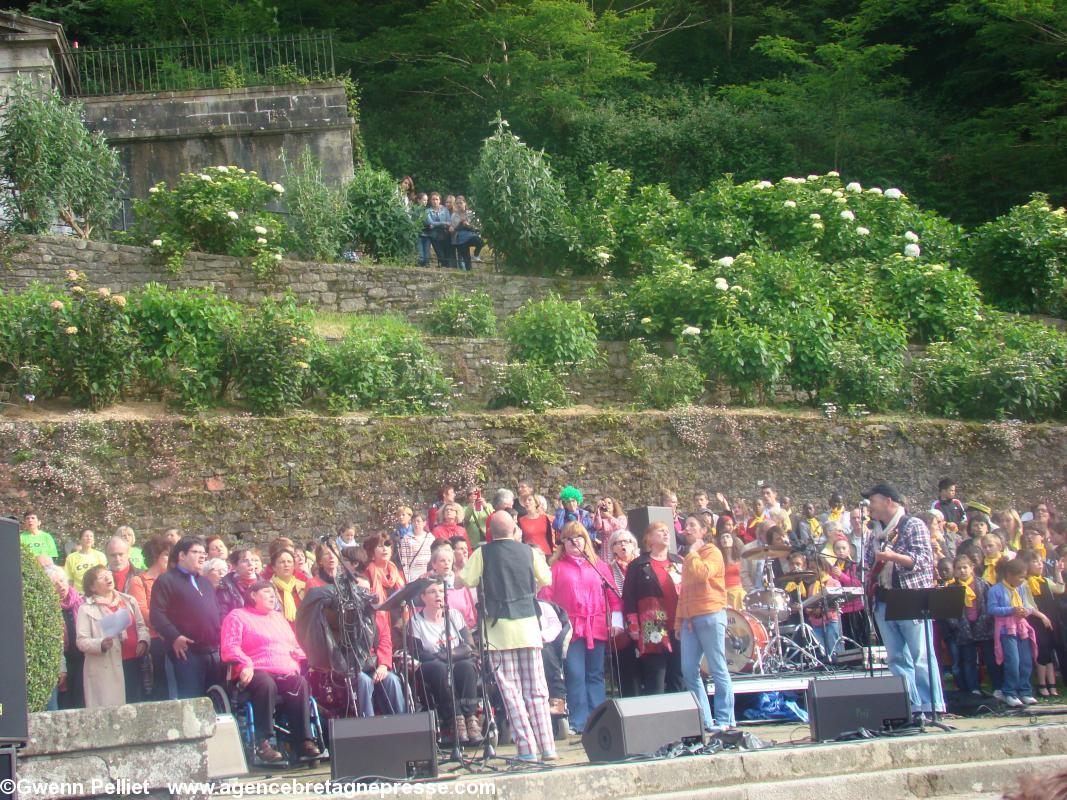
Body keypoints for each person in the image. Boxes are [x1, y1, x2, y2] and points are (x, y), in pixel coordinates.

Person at [458, 511, 557, 762]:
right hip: (528, 627)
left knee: (511, 692)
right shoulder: (530, 552)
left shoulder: (482, 553)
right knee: (537, 689)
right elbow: (546, 578)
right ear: (514, 530)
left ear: (490, 532)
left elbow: (466, 580)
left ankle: (527, 749)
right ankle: (548, 747)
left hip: (497, 631)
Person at [862, 482, 944, 721]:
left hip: (910, 597)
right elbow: (869, 563)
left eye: (873, 500)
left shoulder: (912, 525)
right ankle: (910, 706)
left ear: (888, 500)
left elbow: (923, 560)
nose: (870, 506)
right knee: (896, 657)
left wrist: (893, 557)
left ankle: (931, 705)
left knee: (920, 654)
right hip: (883, 599)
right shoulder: (875, 532)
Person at [220, 580, 320, 763]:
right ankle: (263, 743)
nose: (272, 595)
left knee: (300, 683)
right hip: (255, 669)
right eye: (267, 592)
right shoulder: (237, 616)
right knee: (266, 683)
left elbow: (293, 643)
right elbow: (229, 647)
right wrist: (246, 663)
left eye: (273, 592)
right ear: (253, 595)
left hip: (284, 670)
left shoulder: (278, 618)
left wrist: (301, 654)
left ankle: (304, 741)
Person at [540, 521, 622, 735]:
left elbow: (613, 596)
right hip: (570, 629)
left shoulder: (599, 566)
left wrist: (616, 620)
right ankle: (579, 721)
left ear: (586, 540)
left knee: (595, 674)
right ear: (562, 543)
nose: (574, 541)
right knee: (575, 673)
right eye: (568, 538)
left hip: (596, 625)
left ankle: (599, 719)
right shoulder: (556, 568)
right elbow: (546, 599)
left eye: (578, 537)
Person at [676, 513, 734, 731]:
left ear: (703, 530)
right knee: (689, 669)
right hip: (690, 618)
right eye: (685, 525)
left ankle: (725, 719)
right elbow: (684, 592)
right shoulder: (690, 557)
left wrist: (692, 553)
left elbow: (703, 574)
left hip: (710, 613)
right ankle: (704, 720)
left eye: (692, 525)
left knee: (717, 667)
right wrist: (679, 621)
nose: (687, 528)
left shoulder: (712, 552)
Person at [408, 581, 482, 743]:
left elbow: (469, 647)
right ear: (423, 597)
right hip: (433, 664)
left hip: (456, 659)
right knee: (440, 669)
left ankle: (470, 718)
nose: (438, 595)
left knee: (466, 667)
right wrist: (441, 657)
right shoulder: (416, 621)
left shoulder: (454, 615)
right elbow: (418, 653)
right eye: (432, 592)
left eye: (441, 591)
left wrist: (447, 655)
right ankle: (455, 719)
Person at [150, 536, 222, 699]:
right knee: (191, 702)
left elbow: (216, 612)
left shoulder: (205, 583)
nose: (202, 556)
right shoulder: (166, 581)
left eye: (204, 553)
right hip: (185, 653)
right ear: (181, 555)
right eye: (196, 552)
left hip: (212, 652)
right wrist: (174, 636)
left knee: (215, 701)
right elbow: (157, 614)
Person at [622, 521, 684, 695]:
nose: (666, 534)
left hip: (679, 624)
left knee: (678, 674)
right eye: (661, 531)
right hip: (653, 625)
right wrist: (633, 625)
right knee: (656, 674)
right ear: (649, 538)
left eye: (667, 531)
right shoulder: (638, 564)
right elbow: (629, 597)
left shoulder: (679, 562)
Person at [77, 564, 150, 708]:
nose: (107, 578)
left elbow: (141, 626)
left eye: (108, 574)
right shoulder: (86, 609)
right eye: (101, 577)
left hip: (133, 663)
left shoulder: (128, 600)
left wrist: (143, 640)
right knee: (113, 710)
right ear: (92, 587)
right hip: (106, 668)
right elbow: (81, 641)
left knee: (135, 707)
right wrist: (100, 644)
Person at [127, 535, 175, 701]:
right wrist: (166, 627)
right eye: (166, 555)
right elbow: (142, 611)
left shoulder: (172, 579)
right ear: (156, 556)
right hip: (155, 637)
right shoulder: (139, 581)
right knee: (160, 682)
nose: (170, 559)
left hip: (173, 635)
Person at [988, 558, 1038, 707]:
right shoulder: (995, 590)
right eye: (1020, 577)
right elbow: (992, 609)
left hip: (1021, 628)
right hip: (1006, 630)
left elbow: (1029, 605)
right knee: (1013, 662)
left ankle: (1025, 691)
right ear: (1010, 574)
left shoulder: (1022, 588)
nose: (1023, 580)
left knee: (1025, 661)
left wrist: (1026, 611)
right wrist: (1011, 610)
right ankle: (1009, 692)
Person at [944, 553, 993, 696]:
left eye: (965, 567)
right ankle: (972, 688)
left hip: (982, 625)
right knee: (968, 660)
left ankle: (996, 687)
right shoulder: (951, 588)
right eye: (958, 568)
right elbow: (948, 610)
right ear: (954, 571)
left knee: (989, 658)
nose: (962, 571)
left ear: (972, 568)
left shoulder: (982, 584)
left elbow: (988, 604)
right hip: (963, 628)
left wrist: (984, 620)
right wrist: (956, 625)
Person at [605, 529, 641, 696]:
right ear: (613, 548)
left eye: (627, 541)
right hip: (621, 624)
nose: (623, 545)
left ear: (634, 545)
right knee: (627, 671)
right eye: (618, 542)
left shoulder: (642, 565)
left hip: (644, 620)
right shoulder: (608, 569)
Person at [1019, 549, 1059, 697]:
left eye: (1040, 561)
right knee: (1041, 651)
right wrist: (1042, 616)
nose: (1039, 564)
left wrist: (1058, 572)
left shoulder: (1045, 580)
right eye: (1035, 561)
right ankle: (1042, 685)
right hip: (1036, 621)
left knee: (1049, 650)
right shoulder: (1025, 584)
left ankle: (1052, 685)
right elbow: (1028, 605)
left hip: (1049, 620)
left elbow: (1060, 588)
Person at [46, 567, 85, 709]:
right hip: (63, 662)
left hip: (83, 659)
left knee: (82, 701)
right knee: (66, 704)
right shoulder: (48, 607)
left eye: (62, 581)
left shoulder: (82, 602)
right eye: (55, 583)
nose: (60, 586)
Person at [427, 545, 477, 630]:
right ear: (434, 564)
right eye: (442, 561)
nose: (446, 563)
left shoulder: (460, 585)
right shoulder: (428, 586)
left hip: (463, 631)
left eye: (449, 561)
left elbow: (470, 613)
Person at [217, 548, 261, 618]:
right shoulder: (225, 587)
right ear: (235, 566)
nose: (250, 564)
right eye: (244, 561)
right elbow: (223, 615)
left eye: (252, 560)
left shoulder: (264, 584)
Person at [363, 534, 406, 603]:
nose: (385, 548)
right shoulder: (367, 574)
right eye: (380, 546)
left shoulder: (397, 571)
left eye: (387, 545)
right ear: (371, 552)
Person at [270, 549, 306, 626]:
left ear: (294, 566)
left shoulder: (303, 587)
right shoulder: (268, 589)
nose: (286, 565)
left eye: (289, 562)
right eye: (282, 562)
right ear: (274, 567)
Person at [396, 511, 434, 583]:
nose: (416, 524)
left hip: (427, 571)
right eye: (414, 521)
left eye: (418, 521)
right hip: (413, 573)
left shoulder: (430, 537)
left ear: (424, 523)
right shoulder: (406, 539)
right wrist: (407, 578)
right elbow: (404, 560)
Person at [449, 196, 483, 272]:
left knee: (480, 242)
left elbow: (479, 227)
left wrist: (468, 225)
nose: (459, 205)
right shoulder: (454, 215)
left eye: (461, 203)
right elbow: (452, 228)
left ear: (465, 203)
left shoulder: (471, 213)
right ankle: (469, 274)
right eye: (457, 203)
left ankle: (476, 255)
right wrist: (454, 227)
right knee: (467, 260)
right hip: (460, 239)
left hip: (471, 236)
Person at [717, 525, 745, 610]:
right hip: (724, 593)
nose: (725, 539)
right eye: (722, 537)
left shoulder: (740, 558)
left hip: (739, 592)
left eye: (728, 537)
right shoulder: (718, 559)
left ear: (733, 540)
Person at [425, 192, 455, 268]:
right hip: (434, 235)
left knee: (447, 253)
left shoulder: (445, 210)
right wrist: (443, 223)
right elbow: (430, 222)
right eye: (433, 199)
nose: (435, 201)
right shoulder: (427, 211)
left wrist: (435, 225)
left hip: (445, 234)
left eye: (437, 199)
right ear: (430, 201)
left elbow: (449, 221)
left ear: (439, 200)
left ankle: (448, 269)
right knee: (440, 254)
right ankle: (443, 267)